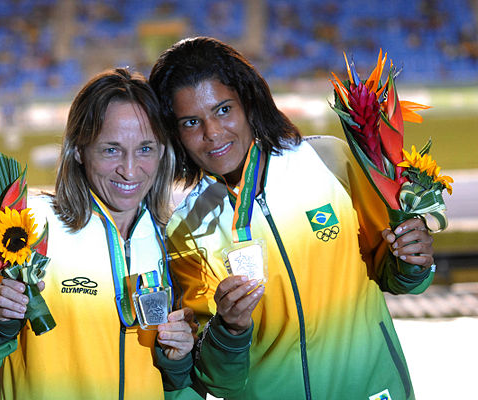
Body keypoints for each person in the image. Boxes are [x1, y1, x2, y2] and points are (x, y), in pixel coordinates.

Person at [149, 37, 436, 399]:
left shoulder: (329, 161)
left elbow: (400, 278)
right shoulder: (185, 230)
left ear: (249, 102)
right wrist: (230, 328)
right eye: (191, 122)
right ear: (174, 132)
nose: (213, 133)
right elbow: (218, 381)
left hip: (373, 390)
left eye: (223, 110)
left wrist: (414, 257)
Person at [0, 68, 250, 399]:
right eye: (111, 150)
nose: (130, 170)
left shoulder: (174, 241)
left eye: (145, 148)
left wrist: (177, 357)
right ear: (78, 150)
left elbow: (186, 384)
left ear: (163, 152)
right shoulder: (26, 227)